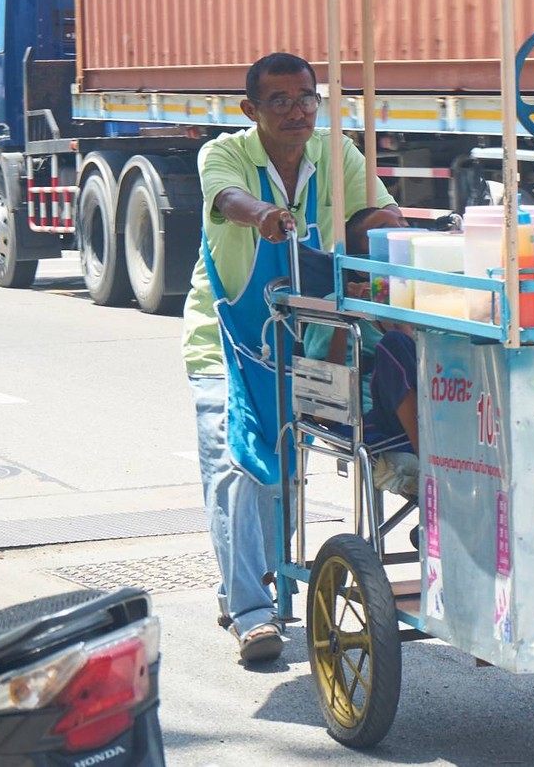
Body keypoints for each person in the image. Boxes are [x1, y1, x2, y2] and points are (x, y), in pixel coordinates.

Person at [182, 52, 398, 663]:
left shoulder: (336, 152)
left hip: (302, 339)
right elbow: (228, 201)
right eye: (279, 101)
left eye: (306, 97)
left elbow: (370, 212)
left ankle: (249, 583)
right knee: (234, 466)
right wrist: (267, 217)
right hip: (225, 337)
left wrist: (397, 228)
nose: (297, 110)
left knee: (281, 469)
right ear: (251, 110)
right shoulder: (223, 154)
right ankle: (251, 614)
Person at [301, 207, 421, 497]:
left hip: (432, 407)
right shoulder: (333, 306)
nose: (397, 231)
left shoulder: (423, 301)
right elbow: (322, 400)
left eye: (402, 224)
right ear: (360, 262)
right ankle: (432, 462)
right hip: (368, 416)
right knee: (393, 345)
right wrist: (348, 318)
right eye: (382, 230)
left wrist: (396, 310)